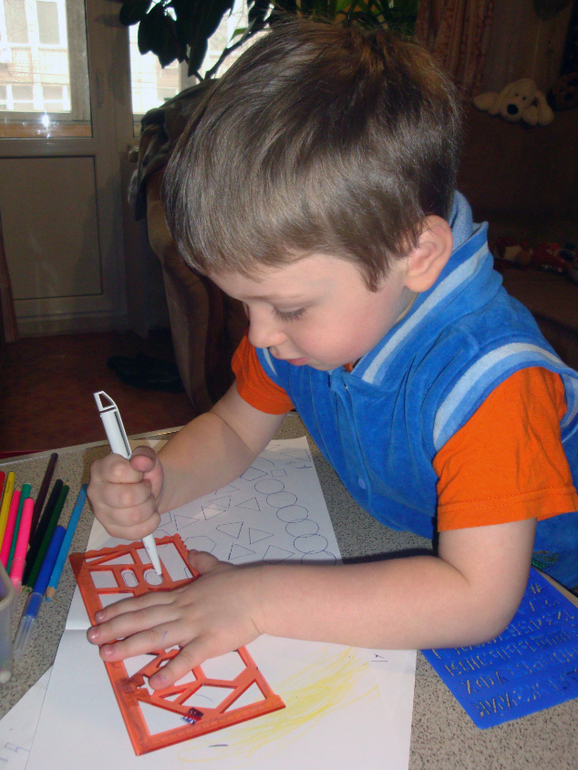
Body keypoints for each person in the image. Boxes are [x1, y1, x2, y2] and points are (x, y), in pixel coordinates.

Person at [87, 19, 578, 691]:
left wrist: (257, 600)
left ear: (417, 256)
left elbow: (476, 599)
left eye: (287, 307)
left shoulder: (492, 383)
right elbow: (234, 430)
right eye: (244, 303)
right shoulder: (301, 326)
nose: (260, 334)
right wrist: (161, 483)